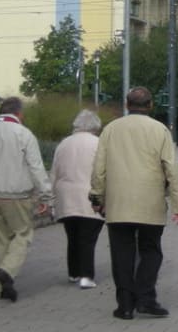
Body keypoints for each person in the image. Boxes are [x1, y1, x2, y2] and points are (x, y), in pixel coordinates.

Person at [89, 87, 178, 320]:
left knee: (121, 254)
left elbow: (99, 168)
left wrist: (97, 197)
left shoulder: (111, 129)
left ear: (127, 104)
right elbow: (171, 168)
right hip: (150, 202)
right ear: (151, 105)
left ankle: (124, 305)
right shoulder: (160, 130)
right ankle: (146, 298)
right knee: (151, 251)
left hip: (118, 203)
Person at [0, 96, 53, 303]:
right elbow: (36, 167)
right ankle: (7, 270)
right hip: (17, 195)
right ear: (19, 114)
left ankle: (4, 281)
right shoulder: (24, 134)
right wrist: (46, 196)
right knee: (23, 234)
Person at [50, 109, 104, 289]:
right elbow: (103, 172)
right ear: (95, 126)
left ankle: (73, 272)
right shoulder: (98, 143)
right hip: (89, 197)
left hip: (66, 197)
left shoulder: (63, 144)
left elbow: (54, 172)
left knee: (72, 236)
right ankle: (86, 276)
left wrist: (50, 198)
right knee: (88, 238)